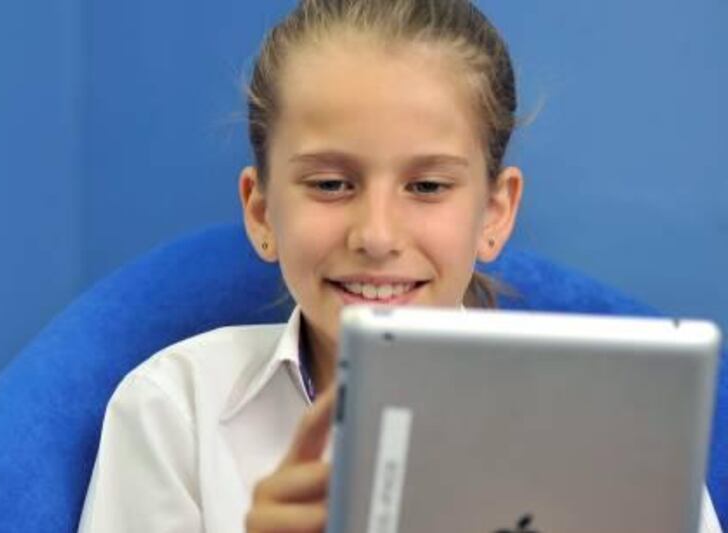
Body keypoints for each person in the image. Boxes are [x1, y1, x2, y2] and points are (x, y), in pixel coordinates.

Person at [77, 1, 723, 532]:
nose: (377, 235)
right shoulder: (173, 412)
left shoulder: (618, 432)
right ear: (261, 211)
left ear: (496, 213)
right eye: (330, 184)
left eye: (428, 186)